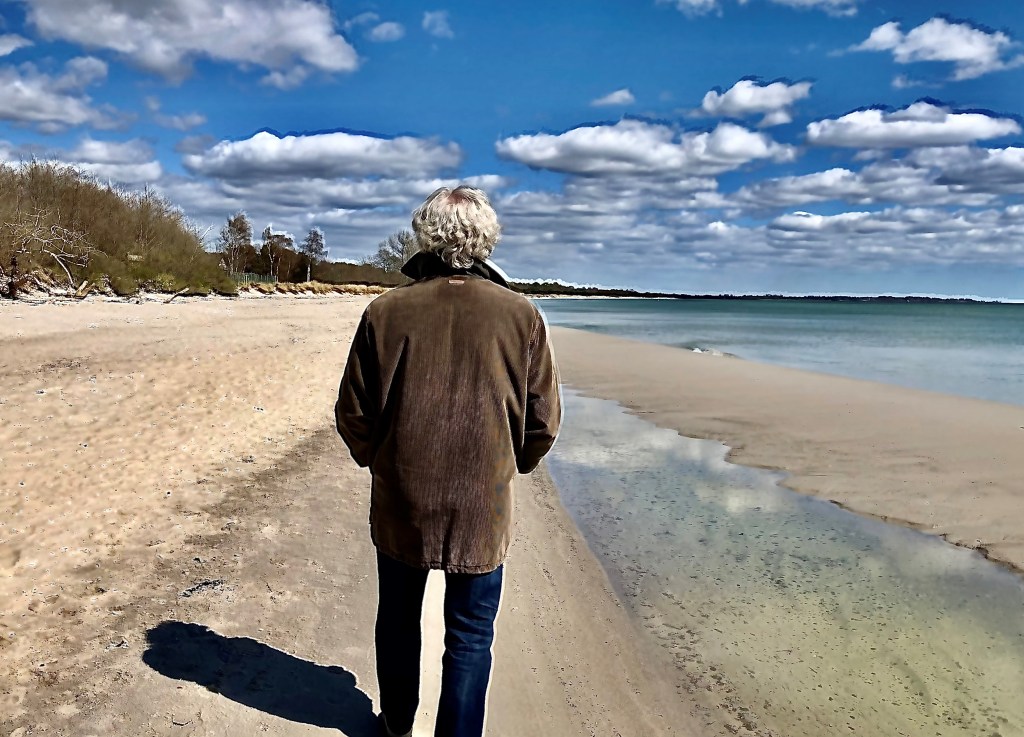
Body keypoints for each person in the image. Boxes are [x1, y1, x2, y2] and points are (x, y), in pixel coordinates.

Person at [335, 185, 563, 737]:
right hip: (483, 501)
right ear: (486, 239)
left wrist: (382, 462)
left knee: (398, 618)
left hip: (403, 495)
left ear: (426, 235)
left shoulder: (385, 312)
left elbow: (354, 414)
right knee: (470, 636)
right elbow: (543, 423)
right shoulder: (521, 314)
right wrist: (509, 467)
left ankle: (396, 725)